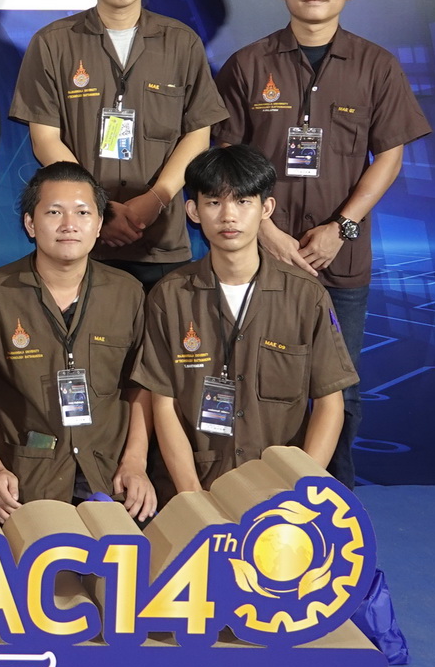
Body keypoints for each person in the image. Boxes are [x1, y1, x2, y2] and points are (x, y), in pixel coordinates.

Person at [212, 0, 431, 486]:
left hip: (340, 261)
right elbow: (224, 158)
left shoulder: (376, 66)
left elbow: (389, 155)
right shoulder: (247, 64)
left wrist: (342, 227)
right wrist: (266, 233)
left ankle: (332, 499)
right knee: (252, 379)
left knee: (340, 388)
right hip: (256, 259)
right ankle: (248, 492)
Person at [10, 0, 227, 288]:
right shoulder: (52, 43)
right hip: (79, 244)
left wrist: (155, 200)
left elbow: (198, 134)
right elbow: (44, 140)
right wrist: (98, 209)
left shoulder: (182, 43)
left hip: (160, 240)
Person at [134, 146, 357, 493]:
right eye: (213, 202)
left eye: (242, 202)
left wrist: (301, 490)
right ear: (193, 211)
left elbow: (330, 402)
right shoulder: (170, 296)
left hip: (281, 485)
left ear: (265, 209)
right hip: (196, 483)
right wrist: (192, 495)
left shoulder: (306, 296)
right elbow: (163, 403)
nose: (228, 216)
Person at [0, 162, 155, 522]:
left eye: (82, 212)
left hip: (110, 478)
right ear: (30, 223)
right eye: (54, 212)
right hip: (23, 483)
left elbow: (142, 384)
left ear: (98, 225)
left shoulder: (128, 293)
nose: (69, 224)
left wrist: (135, 462)